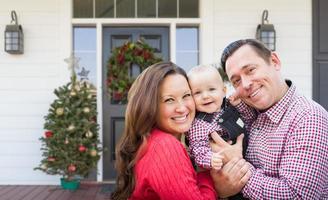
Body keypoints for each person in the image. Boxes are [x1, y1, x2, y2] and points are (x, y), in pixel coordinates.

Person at [211, 39, 328, 199]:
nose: (245, 84)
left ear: (275, 62)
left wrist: (238, 168)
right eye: (236, 80)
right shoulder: (248, 113)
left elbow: (297, 196)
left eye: (251, 70)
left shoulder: (308, 117)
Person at [111, 62, 241, 200]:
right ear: (149, 106)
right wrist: (214, 183)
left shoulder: (154, 139)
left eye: (186, 95)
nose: (182, 108)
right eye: (169, 100)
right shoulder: (165, 146)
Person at [187, 65, 251, 171]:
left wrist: (239, 105)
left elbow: (249, 119)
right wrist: (210, 158)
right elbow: (198, 149)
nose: (205, 96)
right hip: (225, 167)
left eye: (211, 89)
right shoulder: (198, 124)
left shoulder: (230, 106)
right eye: (197, 92)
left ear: (223, 91)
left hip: (249, 158)